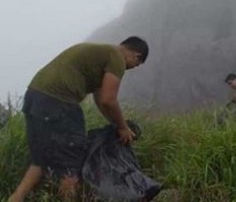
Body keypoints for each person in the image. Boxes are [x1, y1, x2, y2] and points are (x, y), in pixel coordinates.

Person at [8, 36, 149, 202]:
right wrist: (124, 127)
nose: (132, 67)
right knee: (72, 163)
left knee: (41, 158)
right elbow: (108, 99)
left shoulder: (100, 54)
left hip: (35, 97)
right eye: (136, 64)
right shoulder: (116, 57)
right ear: (136, 55)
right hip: (60, 102)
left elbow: (100, 100)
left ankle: (14, 199)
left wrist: (116, 125)